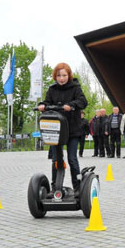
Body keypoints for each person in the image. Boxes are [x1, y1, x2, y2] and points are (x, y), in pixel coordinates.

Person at [38, 62, 87, 196]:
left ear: (69, 75)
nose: (61, 78)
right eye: (59, 75)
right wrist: (42, 105)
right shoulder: (52, 89)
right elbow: (47, 102)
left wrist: (71, 105)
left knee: (72, 158)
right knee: (56, 159)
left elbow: (83, 101)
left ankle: (77, 188)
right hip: (56, 130)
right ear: (55, 76)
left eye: (64, 75)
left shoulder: (75, 88)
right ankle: (55, 188)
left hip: (73, 129)